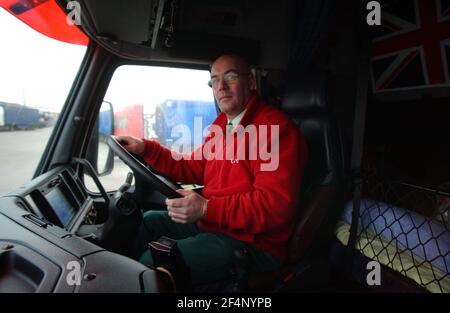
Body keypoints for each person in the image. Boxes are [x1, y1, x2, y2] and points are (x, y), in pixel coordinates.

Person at [118, 54, 308, 286]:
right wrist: (146, 149)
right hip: (216, 225)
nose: (221, 87)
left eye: (231, 77)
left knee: (152, 263)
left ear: (250, 83)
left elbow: (274, 207)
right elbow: (190, 166)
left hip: (254, 243)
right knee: (146, 221)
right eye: (214, 80)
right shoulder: (222, 126)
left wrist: (207, 208)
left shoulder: (275, 129)